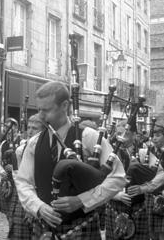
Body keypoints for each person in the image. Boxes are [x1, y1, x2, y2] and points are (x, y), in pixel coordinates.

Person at [15, 81, 126, 239]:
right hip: (45, 227)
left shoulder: (89, 136)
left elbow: (118, 177)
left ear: (64, 105)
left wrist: (81, 200)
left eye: (46, 110)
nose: (40, 115)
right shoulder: (34, 142)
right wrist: (38, 207)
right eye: (39, 109)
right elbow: (23, 181)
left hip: (81, 226)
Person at [105, 120, 164, 240]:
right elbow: (99, 180)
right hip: (113, 206)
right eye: (118, 134)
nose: (121, 138)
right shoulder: (108, 153)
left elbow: (161, 173)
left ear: (134, 135)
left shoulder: (142, 153)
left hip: (138, 207)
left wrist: (144, 188)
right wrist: (116, 195)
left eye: (125, 134)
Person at [3, 114, 44, 240]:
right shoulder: (20, 150)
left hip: (41, 197)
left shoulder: (45, 149)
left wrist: (34, 207)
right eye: (29, 127)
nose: (30, 131)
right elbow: (19, 178)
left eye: (35, 128)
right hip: (24, 195)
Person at [147, 120, 164, 240]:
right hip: (150, 195)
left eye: (158, 135)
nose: (154, 138)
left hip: (162, 195)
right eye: (153, 135)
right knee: (151, 232)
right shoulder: (150, 151)